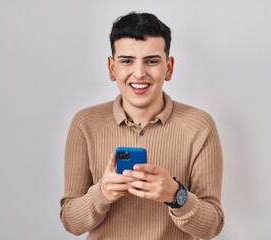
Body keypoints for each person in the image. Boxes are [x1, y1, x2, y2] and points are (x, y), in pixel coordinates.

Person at [60, 12, 224, 240]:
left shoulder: (199, 125)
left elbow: (212, 226)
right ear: (111, 67)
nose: (139, 73)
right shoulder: (85, 123)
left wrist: (175, 195)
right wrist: (102, 194)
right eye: (127, 61)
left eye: (152, 61)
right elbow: (71, 222)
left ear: (169, 68)